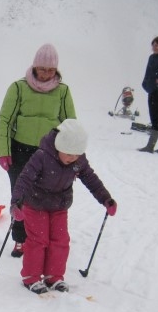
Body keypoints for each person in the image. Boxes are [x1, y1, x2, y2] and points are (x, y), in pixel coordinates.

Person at [10, 119, 117, 294]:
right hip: (35, 204)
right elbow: (24, 179)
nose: (72, 158)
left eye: (76, 154)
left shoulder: (78, 160)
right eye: (68, 153)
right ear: (59, 146)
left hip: (59, 206)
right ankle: (31, 277)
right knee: (39, 240)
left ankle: (54, 277)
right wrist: (16, 203)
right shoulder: (42, 156)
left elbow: (91, 179)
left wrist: (106, 199)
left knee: (60, 240)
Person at [0, 43, 77, 258]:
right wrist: (3, 151)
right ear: (34, 67)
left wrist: (72, 153)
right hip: (20, 150)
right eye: (42, 69)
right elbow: (5, 120)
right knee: (20, 195)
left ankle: (40, 238)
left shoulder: (63, 91)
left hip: (49, 153)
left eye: (51, 70)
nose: (46, 74)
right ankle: (20, 239)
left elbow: (70, 124)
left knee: (46, 196)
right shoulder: (18, 88)